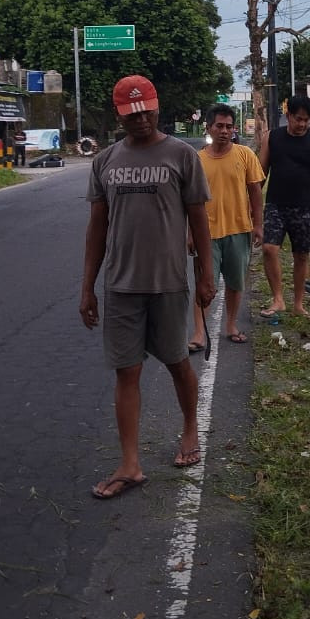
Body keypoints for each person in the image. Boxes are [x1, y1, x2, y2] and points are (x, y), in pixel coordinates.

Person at [79, 74, 215, 500]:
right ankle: (130, 463)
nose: (139, 119)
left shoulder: (182, 155)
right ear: (119, 115)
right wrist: (87, 287)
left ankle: (190, 429)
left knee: (177, 362)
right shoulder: (105, 161)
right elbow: (97, 227)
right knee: (127, 371)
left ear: (157, 106)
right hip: (120, 285)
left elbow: (199, 220)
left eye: (146, 110)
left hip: (169, 282)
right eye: (130, 113)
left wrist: (206, 275)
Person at [188, 104, 264, 349]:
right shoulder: (197, 160)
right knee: (204, 285)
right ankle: (199, 334)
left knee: (235, 282)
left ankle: (230, 324)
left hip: (239, 229)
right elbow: (189, 202)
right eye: (219, 126)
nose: (224, 131)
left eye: (229, 127)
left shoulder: (245, 155)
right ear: (208, 127)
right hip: (206, 234)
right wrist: (189, 233)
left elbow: (255, 192)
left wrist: (258, 225)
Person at [259, 94, 310, 316]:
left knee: (302, 256)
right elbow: (260, 174)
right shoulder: (272, 138)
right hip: (275, 205)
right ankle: (278, 299)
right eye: (298, 119)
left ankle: (298, 304)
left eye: (306, 120)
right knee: (269, 248)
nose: (302, 124)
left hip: (304, 207)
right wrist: (250, 205)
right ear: (288, 116)